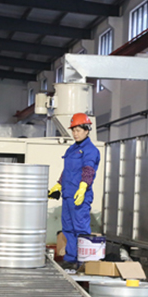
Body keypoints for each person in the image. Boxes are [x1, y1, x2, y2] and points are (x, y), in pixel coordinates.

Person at [48, 113, 100, 269]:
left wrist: (83, 187)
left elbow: (88, 169)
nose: (75, 134)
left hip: (80, 195)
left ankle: (83, 261)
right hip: (68, 194)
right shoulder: (72, 149)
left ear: (87, 130)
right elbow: (67, 170)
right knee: (68, 228)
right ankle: (71, 259)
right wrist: (58, 185)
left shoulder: (90, 150)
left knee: (80, 228)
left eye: (78, 130)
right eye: (73, 130)